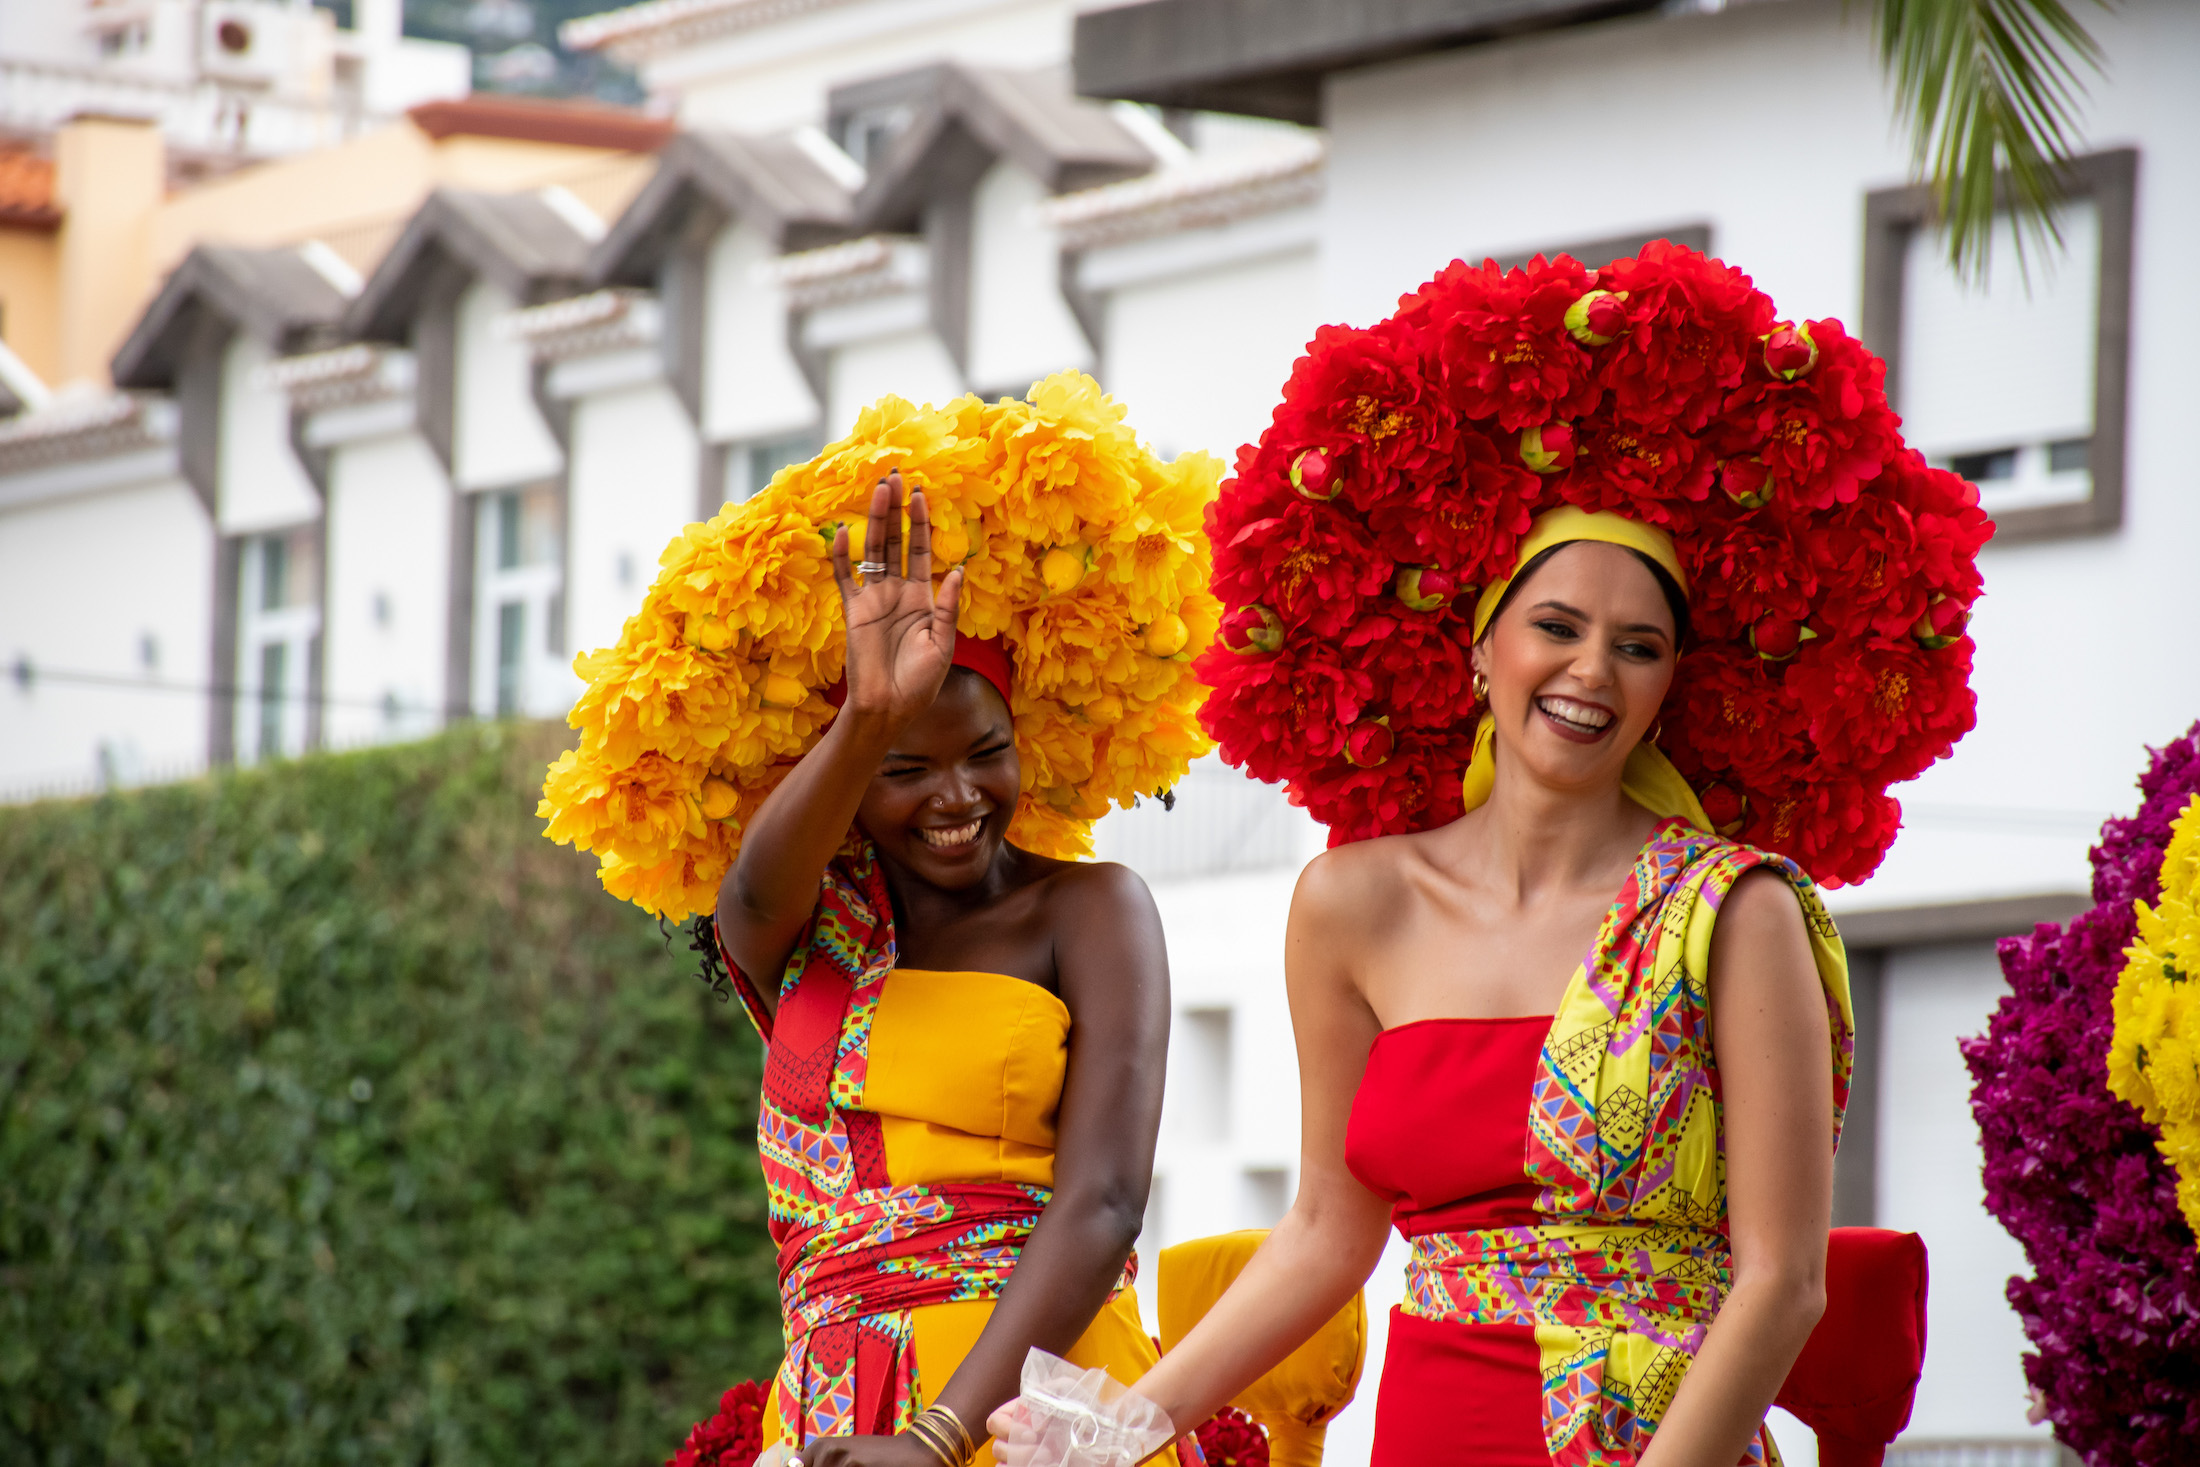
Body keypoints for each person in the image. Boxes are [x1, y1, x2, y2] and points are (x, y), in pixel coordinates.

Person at [990, 245, 1988, 1465]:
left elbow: (1781, 1283)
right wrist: (1115, 1426)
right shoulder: (1352, 903)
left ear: (1671, 688)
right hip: (1432, 1425)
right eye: (1555, 629)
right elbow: (1323, 1230)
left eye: (1637, 648)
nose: (1589, 673)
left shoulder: (1732, 914)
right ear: (1476, 650)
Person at [538, 375, 1223, 1467]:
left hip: (1032, 1413)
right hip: (829, 1419)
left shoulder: (1089, 908)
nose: (956, 797)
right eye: (907, 769)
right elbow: (747, 901)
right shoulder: (806, 941)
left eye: (984, 755)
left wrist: (940, 1438)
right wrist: (866, 713)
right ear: (849, 781)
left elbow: (1102, 1202)